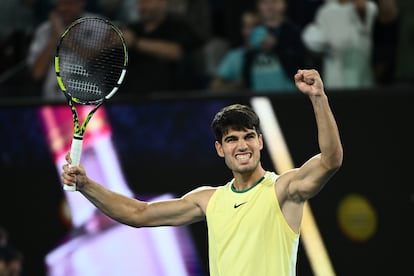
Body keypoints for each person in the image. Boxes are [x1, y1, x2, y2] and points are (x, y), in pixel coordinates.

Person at [61, 68, 343, 275]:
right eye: (232, 139)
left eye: (247, 136)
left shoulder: (284, 190)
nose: (241, 145)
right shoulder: (208, 200)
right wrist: (86, 185)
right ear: (220, 149)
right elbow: (138, 214)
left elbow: (330, 161)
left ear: (260, 141)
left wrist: (318, 97)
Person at [120, 0, 206, 95]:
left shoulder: (179, 26)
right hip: (129, 98)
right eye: (140, 2)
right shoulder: (131, 28)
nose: (142, 6)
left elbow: (175, 52)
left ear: (163, 2)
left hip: (169, 98)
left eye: (147, 2)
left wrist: (136, 42)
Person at [26, 0, 94, 102]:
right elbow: (37, 74)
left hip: (89, 103)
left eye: (69, 3)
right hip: (53, 103)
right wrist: (55, 37)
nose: (63, 8)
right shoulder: (44, 30)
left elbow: (97, 61)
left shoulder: (98, 24)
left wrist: (63, 37)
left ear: (81, 3)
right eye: (60, 4)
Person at [302, 0, 378, 89]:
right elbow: (317, 41)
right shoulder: (324, 11)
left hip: (360, 77)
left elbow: (364, 10)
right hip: (333, 80)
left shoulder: (368, 7)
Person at [242, 0, 308, 93]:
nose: (270, 7)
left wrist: (277, 46)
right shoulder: (254, 32)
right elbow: (246, 67)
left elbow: (301, 63)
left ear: (284, 4)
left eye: (274, 2)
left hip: (288, 95)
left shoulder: (294, 32)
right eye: (264, 2)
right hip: (257, 96)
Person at [209, 11, 260, 93]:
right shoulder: (234, 56)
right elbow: (215, 86)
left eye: (255, 27)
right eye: (246, 27)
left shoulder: (274, 55)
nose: (250, 32)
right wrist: (239, 85)